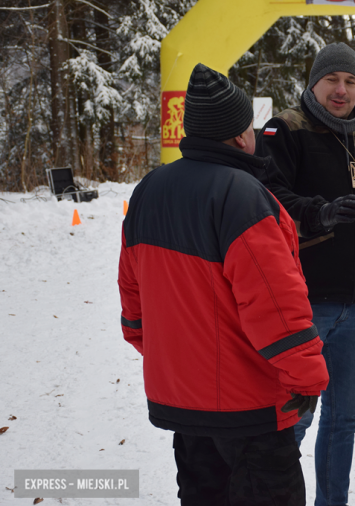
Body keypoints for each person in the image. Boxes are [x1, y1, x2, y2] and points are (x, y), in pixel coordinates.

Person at [118, 63, 329, 506]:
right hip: (248, 409)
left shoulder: (148, 191)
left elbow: (134, 306)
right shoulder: (243, 195)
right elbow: (275, 305)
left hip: (183, 405)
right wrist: (307, 379)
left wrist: (177, 362)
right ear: (239, 136)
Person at [257, 42, 355, 506]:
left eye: (351, 81)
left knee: (345, 418)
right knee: (293, 417)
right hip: (302, 301)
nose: (342, 91)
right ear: (314, 83)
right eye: (332, 81)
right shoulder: (286, 129)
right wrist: (318, 214)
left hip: (354, 307)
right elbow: (269, 196)